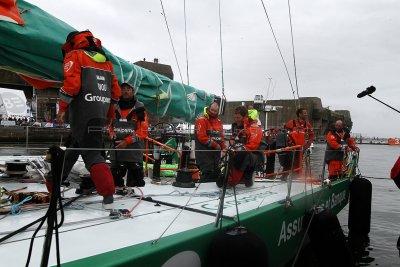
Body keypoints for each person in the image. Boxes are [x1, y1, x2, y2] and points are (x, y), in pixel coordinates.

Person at [54, 30, 121, 208]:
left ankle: (108, 194)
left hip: (82, 112)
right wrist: (110, 116)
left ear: (71, 43)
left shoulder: (74, 55)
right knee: (74, 148)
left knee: (91, 153)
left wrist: (62, 109)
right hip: (99, 113)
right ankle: (53, 184)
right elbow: (115, 93)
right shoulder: (106, 63)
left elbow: (72, 85)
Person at [109, 82, 148, 188]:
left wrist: (126, 142)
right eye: (123, 89)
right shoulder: (114, 106)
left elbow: (143, 131)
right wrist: (111, 133)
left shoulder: (139, 108)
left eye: (128, 89)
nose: (125, 91)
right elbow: (110, 125)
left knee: (136, 185)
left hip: (133, 151)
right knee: (114, 183)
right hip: (117, 150)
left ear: (133, 91)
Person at [228, 109, 263, 187]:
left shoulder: (254, 127)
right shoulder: (237, 126)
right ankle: (230, 177)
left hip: (253, 154)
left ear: (244, 117)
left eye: (238, 118)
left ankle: (233, 180)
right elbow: (233, 138)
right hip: (238, 151)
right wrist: (232, 142)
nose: (236, 120)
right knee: (230, 154)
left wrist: (238, 149)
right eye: (235, 117)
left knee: (241, 154)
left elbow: (253, 145)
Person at [279, 108, 315, 179]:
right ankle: (284, 176)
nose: (306, 114)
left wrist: (307, 145)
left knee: (298, 163)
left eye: (306, 113)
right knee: (288, 162)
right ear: (299, 114)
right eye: (304, 113)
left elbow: (311, 136)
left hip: (302, 148)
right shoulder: (291, 123)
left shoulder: (308, 125)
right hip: (291, 148)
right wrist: (289, 144)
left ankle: (295, 177)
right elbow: (284, 133)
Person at [194, 101, 225, 183]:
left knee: (216, 173)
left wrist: (224, 148)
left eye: (215, 111)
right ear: (208, 108)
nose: (213, 112)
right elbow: (202, 137)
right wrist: (215, 145)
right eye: (212, 110)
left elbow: (221, 137)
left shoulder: (218, 121)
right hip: (204, 153)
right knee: (207, 173)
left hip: (215, 155)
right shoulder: (201, 120)